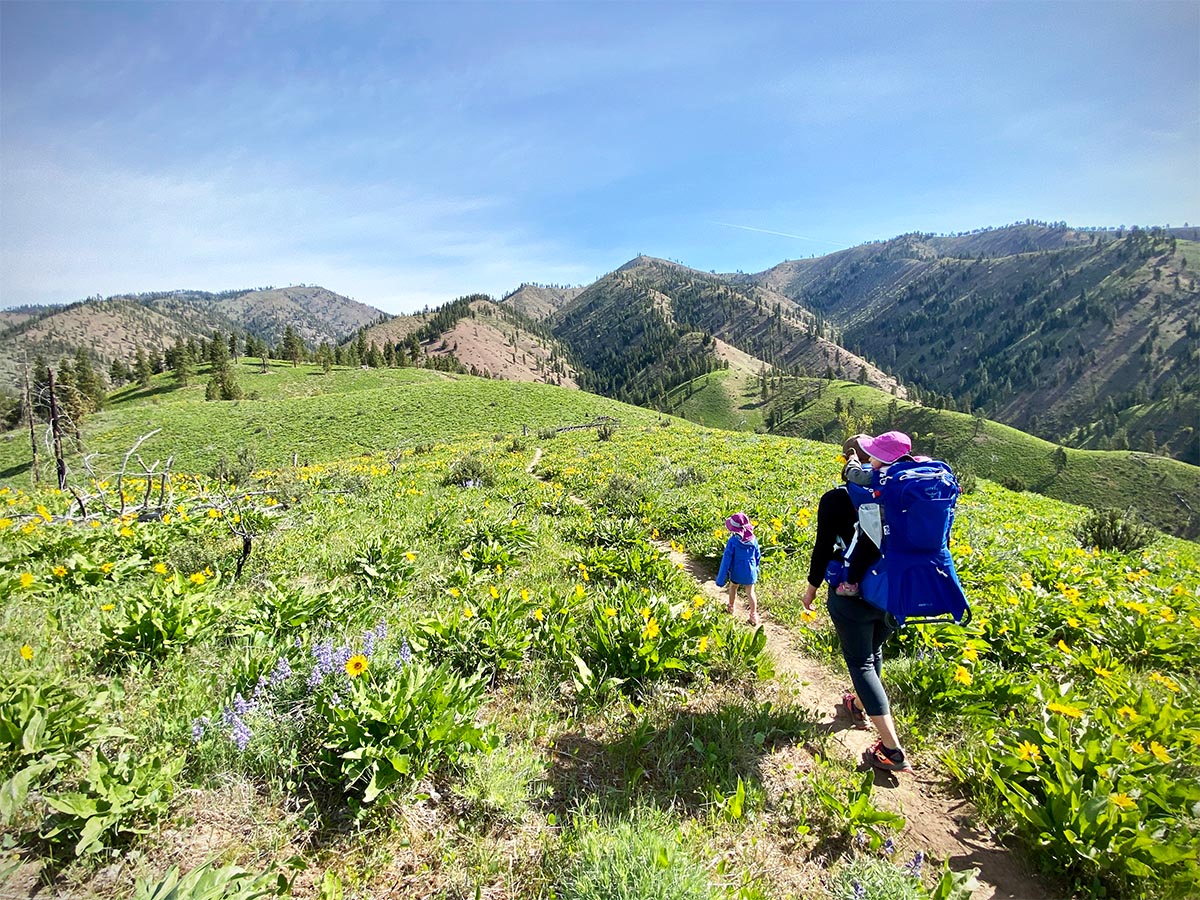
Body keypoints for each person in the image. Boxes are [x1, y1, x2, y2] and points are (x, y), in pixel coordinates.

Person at [801, 431, 915, 774]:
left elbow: (823, 549)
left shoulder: (835, 499)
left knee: (861, 662)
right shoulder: (910, 495)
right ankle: (860, 704)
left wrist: (811, 588)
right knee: (874, 651)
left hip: (855, 595)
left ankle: (892, 749)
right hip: (898, 595)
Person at [835, 430, 917, 597]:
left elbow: (855, 475)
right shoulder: (914, 470)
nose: (871, 459)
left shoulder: (881, 473)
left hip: (885, 528)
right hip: (912, 529)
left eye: (874, 456)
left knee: (864, 548)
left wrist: (853, 461)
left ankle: (851, 585)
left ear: (885, 458)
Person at [716, 512, 762, 626]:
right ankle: (753, 614)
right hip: (750, 571)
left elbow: (726, 560)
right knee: (750, 592)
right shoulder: (753, 539)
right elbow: (758, 556)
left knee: (733, 587)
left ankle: (731, 607)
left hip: (737, 570)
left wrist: (720, 579)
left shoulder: (733, 541)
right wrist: (756, 569)